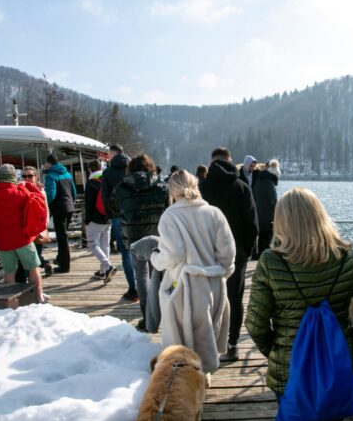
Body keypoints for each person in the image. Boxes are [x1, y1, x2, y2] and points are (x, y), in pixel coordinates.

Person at [245, 188, 353, 421]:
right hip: (335, 365)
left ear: (281, 222)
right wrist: (350, 342)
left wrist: (277, 352)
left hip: (288, 372)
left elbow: (255, 323)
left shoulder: (270, 262)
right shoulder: (347, 259)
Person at [151, 170, 235, 374]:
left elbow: (173, 254)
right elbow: (228, 254)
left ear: (172, 191)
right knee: (208, 332)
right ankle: (204, 374)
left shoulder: (170, 216)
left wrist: (154, 258)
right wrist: (221, 273)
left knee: (184, 339)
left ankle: (188, 378)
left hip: (184, 287)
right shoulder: (215, 213)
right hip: (214, 285)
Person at [199, 147, 258, 361]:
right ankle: (232, 345)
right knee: (234, 299)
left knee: (206, 300)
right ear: (231, 161)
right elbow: (252, 225)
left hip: (206, 254)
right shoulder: (242, 187)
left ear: (212, 162)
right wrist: (246, 251)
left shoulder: (201, 188)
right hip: (236, 254)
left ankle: (208, 345)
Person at [110, 154, 170, 328]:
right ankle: (163, 312)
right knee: (158, 274)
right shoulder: (162, 186)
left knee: (141, 276)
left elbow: (113, 206)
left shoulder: (122, 187)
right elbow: (169, 208)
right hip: (157, 236)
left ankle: (147, 315)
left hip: (133, 236)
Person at [0, 164, 48, 303]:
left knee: (9, 273)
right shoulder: (20, 192)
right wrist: (27, 184)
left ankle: (11, 303)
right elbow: (38, 197)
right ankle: (38, 297)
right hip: (22, 239)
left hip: (2, 240)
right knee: (33, 268)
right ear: (13, 176)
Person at [100, 144, 137, 301]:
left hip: (118, 216)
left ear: (113, 155)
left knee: (126, 253)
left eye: (108, 155)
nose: (107, 157)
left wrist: (110, 215)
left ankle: (133, 290)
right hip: (135, 215)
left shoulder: (108, 172)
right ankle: (145, 286)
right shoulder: (133, 169)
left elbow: (105, 196)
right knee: (141, 252)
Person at [15, 166, 52, 282]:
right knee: (24, 258)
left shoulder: (41, 191)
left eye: (30, 176)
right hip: (24, 230)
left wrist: (44, 224)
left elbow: (45, 209)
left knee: (35, 256)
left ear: (36, 177)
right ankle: (25, 284)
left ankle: (33, 287)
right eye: (24, 176)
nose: (27, 178)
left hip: (36, 229)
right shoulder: (19, 189)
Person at [43, 154, 76, 273]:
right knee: (64, 236)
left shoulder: (51, 176)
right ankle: (60, 258)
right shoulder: (67, 174)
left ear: (49, 163)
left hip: (59, 208)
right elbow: (74, 191)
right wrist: (71, 202)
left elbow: (50, 194)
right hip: (69, 207)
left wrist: (46, 206)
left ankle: (64, 266)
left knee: (62, 238)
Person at [85, 160, 117, 280]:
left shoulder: (91, 182)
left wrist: (87, 220)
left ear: (90, 169)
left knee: (93, 245)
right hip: (108, 218)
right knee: (105, 245)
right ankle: (103, 272)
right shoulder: (107, 179)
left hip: (95, 218)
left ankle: (108, 267)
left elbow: (89, 204)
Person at [252, 159, 280, 258]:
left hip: (258, 215)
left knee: (261, 237)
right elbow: (273, 201)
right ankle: (267, 259)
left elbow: (254, 196)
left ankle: (259, 257)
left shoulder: (258, 180)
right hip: (268, 216)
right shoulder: (269, 183)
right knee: (268, 238)